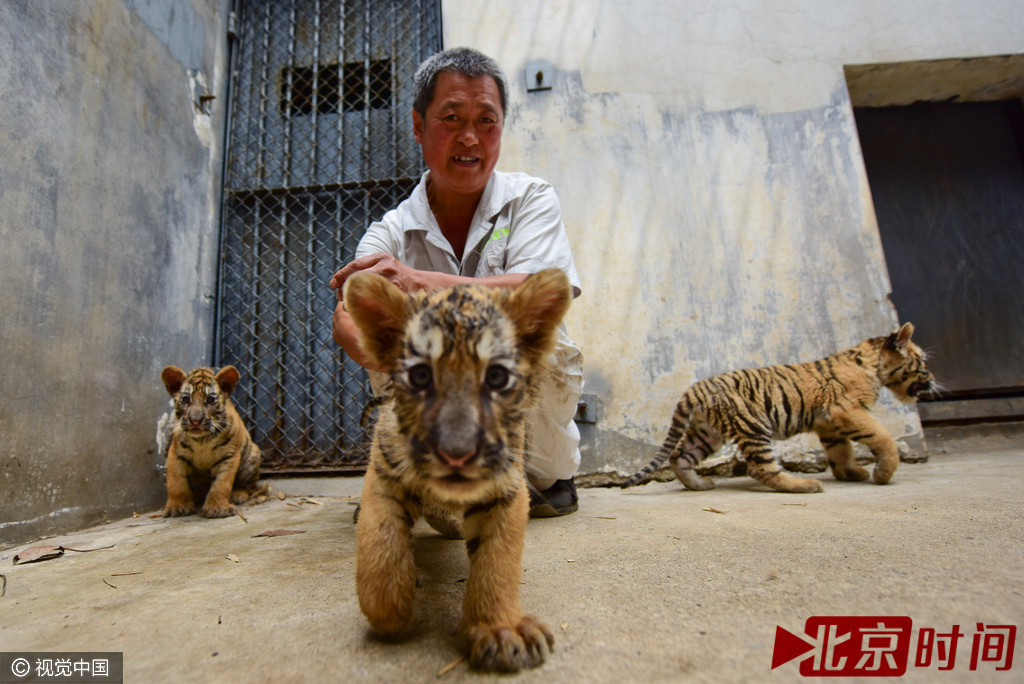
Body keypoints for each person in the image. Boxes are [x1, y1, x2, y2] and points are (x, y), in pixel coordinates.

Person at [329, 47, 583, 517]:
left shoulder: (531, 198)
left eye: (487, 120)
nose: (470, 137)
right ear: (418, 126)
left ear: (502, 128)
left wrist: (418, 281)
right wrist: (358, 333)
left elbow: (543, 287)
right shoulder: (390, 231)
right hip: (436, 426)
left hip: (524, 434)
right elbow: (351, 302)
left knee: (532, 328)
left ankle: (542, 476)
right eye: (451, 118)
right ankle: (415, 472)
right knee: (385, 322)